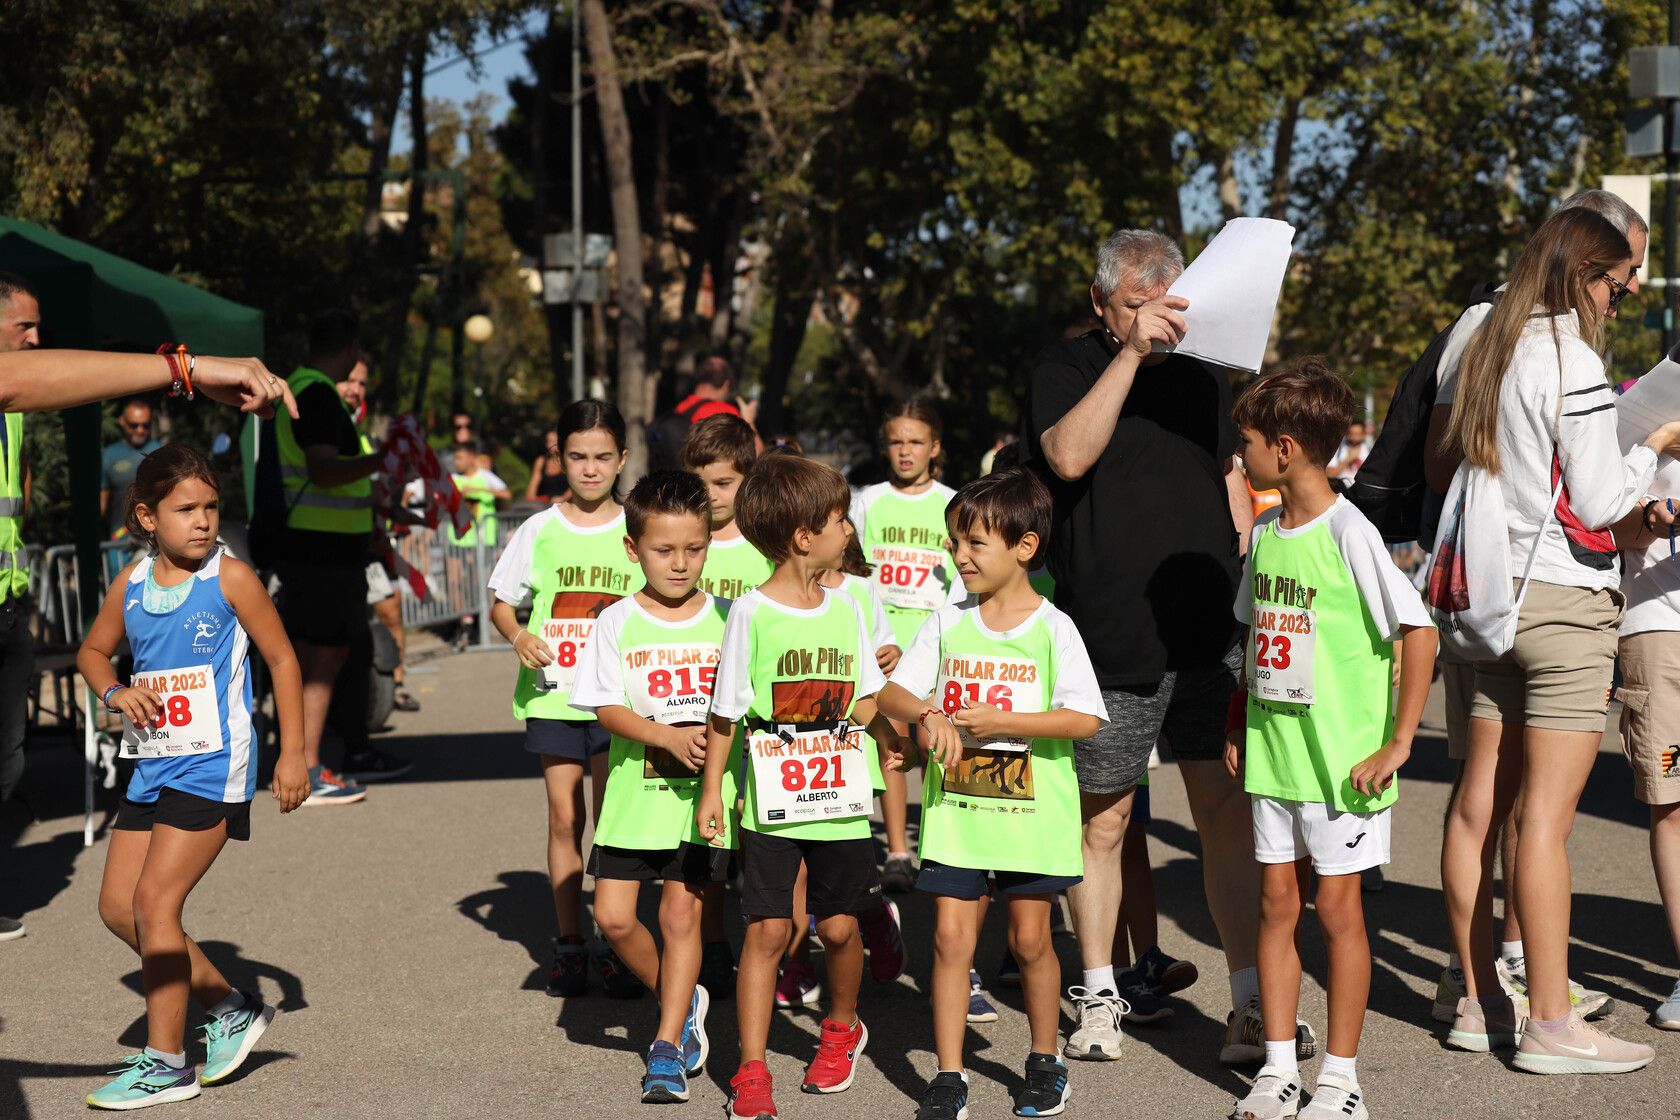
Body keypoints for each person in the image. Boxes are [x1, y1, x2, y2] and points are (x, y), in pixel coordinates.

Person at [1024, 229, 1283, 1066]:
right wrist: (1130, 357)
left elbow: (1228, 483)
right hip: (1114, 633)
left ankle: (1248, 1001)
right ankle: (1099, 992)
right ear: (1104, 303)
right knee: (1106, 820)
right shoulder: (1065, 369)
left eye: (1169, 302)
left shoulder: (1207, 378)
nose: (1158, 319)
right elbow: (1065, 458)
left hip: (1208, 631)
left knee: (1225, 814)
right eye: (1138, 303)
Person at [1435, 206, 1680, 1073]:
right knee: (1544, 822)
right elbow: (1603, 493)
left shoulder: (1491, 342)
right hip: (1563, 603)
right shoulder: (1570, 355)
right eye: (1619, 282)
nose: (1625, 298)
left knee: (1477, 806)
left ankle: (1474, 999)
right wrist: (1651, 442)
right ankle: (1550, 1020)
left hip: (1490, 599)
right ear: (1584, 274)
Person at [1223, 361, 1436, 1120]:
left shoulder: (1350, 532)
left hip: (1343, 767)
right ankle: (1279, 1068)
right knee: (1276, 903)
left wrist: (1400, 742)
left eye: (1245, 442)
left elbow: (1419, 630)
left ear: (1284, 448)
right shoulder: (1268, 534)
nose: (1238, 455)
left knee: (1338, 912)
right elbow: (1256, 636)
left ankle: (1342, 1081)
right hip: (1274, 757)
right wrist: (1235, 718)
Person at [75, 443, 309, 1109]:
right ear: (148, 516)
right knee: (119, 909)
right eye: (186, 510)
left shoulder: (230, 579)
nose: (203, 521)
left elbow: (283, 659)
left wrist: (294, 754)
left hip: (214, 764)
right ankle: (231, 1009)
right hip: (152, 761)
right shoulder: (132, 584)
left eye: (211, 507)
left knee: (155, 905)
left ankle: (168, 1063)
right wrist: (115, 690)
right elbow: (94, 650)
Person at [878, 466, 1108, 1120]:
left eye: (976, 543)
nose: (960, 555)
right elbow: (892, 690)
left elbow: (1085, 719)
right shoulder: (948, 621)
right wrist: (927, 715)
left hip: (1032, 819)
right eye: (956, 541)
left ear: (1025, 548)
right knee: (951, 942)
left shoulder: (1053, 627)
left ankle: (1044, 1059)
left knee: (1033, 942)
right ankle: (950, 1074)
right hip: (958, 817)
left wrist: (1006, 723)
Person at [693, 452, 905, 1120]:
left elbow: (864, 697)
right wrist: (710, 794)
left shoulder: (850, 607)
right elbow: (725, 712)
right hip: (772, 806)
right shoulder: (751, 614)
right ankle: (752, 1070)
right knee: (767, 931)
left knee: (841, 930)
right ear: (803, 536)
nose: (851, 529)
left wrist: (892, 730)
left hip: (841, 804)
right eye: (841, 519)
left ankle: (842, 1026)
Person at [568, 471, 733, 1104]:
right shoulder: (616, 622)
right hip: (634, 798)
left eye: (694, 549)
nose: (680, 563)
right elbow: (604, 710)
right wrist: (666, 737)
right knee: (612, 917)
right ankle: (683, 998)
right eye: (664, 550)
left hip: (703, 803)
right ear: (633, 549)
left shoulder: (727, 618)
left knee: (679, 913)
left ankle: (665, 1045)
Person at [488, 400, 644, 999]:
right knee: (564, 817)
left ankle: (612, 939)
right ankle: (569, 942)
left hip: (618, 702)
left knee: (610, 822)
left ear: (622, 460)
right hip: (555, 699)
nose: (590, 469)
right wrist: (519, 635)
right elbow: (502, 601)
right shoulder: (539, 528)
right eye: (578, 457)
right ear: (560, 459)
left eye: (603, 457)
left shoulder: (636, 527)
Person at [272, 310, 384, 805]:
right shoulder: (316, 392)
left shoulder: (305, 388)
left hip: (323, 546)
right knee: (319, 656)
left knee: (322, 653)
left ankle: (305, 761)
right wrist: (384, 460)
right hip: (319, 547)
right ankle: (306, 766)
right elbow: (323, 470)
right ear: (349, 349)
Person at [851, 399, 960, 892]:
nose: (905, 451)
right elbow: (854, 572)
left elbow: (963, 579)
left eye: (915, 442)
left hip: (937, 638)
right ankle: (897, 852)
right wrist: (879, 639)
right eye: (896, 441)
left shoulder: (952, 501)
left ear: (934, 447)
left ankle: (944, 846)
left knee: (938, 742)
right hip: (883, 643)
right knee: (890, 738)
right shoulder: (867, 500)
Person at [681, 412, 773, 998]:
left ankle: (783, 948)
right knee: (709, 841)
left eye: (723, 483)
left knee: (769, 846)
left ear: (749, 479)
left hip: (766, 721)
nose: (710, 496)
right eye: (700, 481)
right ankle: (713, 946)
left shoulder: (767, 544)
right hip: (701, 713)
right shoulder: (685, 544)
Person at [333, 356, 418, 716]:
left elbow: (374, 489)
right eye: (348, 381)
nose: (355, 390)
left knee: (391, 614)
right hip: (330, 547)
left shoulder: (362, 437)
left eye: (361, 383)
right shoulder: (321, 426)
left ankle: (396, 685)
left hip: (368, 545)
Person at [0, 271, 37, 944]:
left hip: (10, 605)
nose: (36, 340)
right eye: (23, 327)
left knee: (9, 759)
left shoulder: (17, 407)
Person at [648, 356, 746, 472]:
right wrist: (749, 420)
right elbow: (752, 457)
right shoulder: (725, 413)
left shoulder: (681, 408)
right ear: (726, 385)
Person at [101, 398, 163, 538]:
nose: (140, 430)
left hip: (153, 536)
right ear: (122, 421)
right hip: (119, 537)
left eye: (145, 425)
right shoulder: (109, 455)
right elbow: (101, 505)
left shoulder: (160, 452)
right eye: (134, 425)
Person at [525, 429, 569, 503]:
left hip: (568, 504)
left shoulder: (570, 460)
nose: (551, 445)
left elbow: (577, 485)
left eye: (554, 441)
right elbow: (531, 490)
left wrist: (563, 498)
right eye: (549, 441)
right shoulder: (541, 462)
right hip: (546, 505)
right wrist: (533, 500)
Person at [1327, 419, 1371, 484]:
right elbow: (1329, 474)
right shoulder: (1337, 449)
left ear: (1364, 435)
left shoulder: (1369, 450)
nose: (1353, 437)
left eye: (1357, 434)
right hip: (1340, 489)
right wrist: (1347, 460)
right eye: (1350, 433)